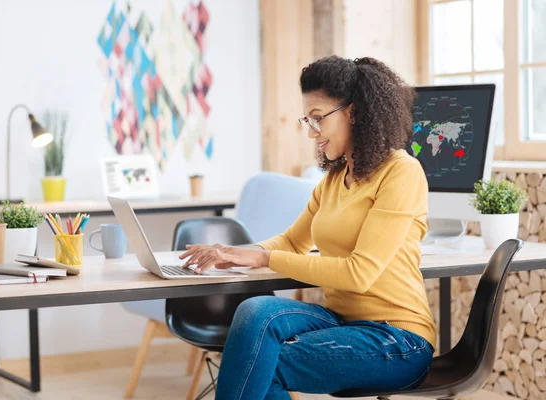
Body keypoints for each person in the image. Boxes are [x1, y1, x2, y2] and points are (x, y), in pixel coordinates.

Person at [179, 56, 437, 399]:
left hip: (397, 338)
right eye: (307, 120)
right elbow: (291, 241)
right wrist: (234, 254)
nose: (312, 132)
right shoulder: (332, 181)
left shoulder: (401, 172)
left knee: (257, 364)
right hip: (342, 321)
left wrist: (260, 260)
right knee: (256, 310)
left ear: (354, 113)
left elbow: (360, 273)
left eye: (318, 119)